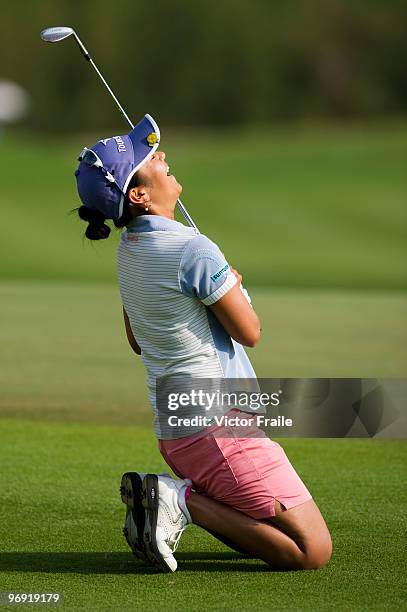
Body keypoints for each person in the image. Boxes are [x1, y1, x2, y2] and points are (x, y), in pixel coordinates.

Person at [75, 114, 332, 573]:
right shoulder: (193, 249)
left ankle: (171, 502)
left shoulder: (129, 251)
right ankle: (177, 501)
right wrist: (235, 289)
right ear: (139, 194)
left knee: (266, 530)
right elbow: (249, 332)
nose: (162, 156)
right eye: (149, 159)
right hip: (218, 425)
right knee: (311, 551)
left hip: (177, 432)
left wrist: (219, 288)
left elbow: (137, 339)